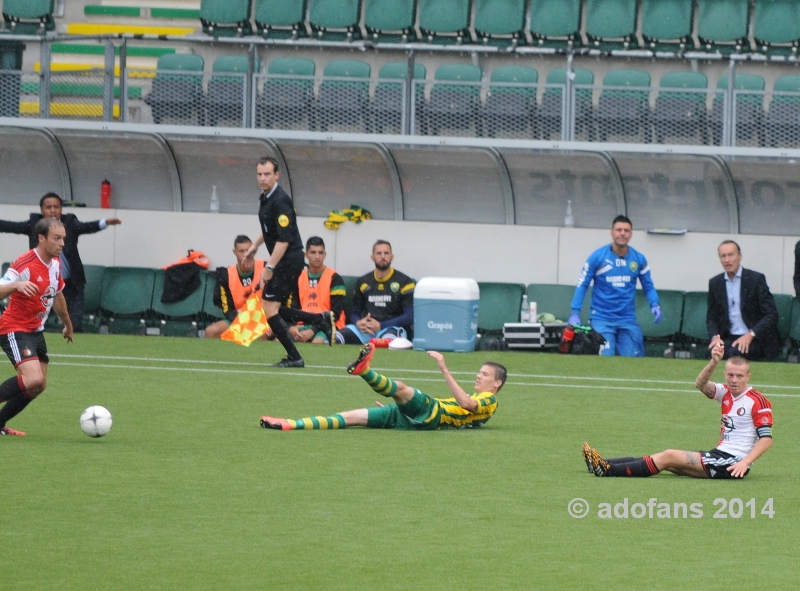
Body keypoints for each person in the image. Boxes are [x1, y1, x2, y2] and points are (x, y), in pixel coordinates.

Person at [584, 340, 773, 479]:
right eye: (730, 375)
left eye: (739, 376)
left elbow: (766, 439)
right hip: (719, 455)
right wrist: (714, 361)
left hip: (732, 462)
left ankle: (608, 470)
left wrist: (745, 462)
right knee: (667, 461)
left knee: (669, 455)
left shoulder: (757, 401)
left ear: (748, 376)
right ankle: (602, 463)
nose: (734, 380)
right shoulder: (725, 393)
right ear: (725, 374)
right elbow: (700, 384)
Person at [260, 342, 505, 431]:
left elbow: (466, 404)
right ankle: (290, 424)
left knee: (400, 387)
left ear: (497, 383)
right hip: (412, 419)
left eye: (484, 375)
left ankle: (364, 370)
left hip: (433, 413)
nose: (478, 377)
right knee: (351, 417)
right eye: (478, 373)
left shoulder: (489, 401)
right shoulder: (479, 399)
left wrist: (443, 367)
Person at [243, 157, 333, 368]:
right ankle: (319, 319)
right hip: (284, 260)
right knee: (273, 307)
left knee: (269, 308)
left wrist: (268, 268)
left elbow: (283, 240)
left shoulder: (280, 200)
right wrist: (255, 245)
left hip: (288, 259)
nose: (263, 178)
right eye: (259, 174)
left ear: (277, 175)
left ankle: (295, 357)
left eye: (267, 174)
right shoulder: (266, 198)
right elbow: (269, 229)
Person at [0, 193, 121, 332]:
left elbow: (86, 226)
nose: (53, 210)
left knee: (74, 326)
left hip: (72, 283)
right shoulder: (35, 225)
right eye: (48, 207)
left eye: (56, 207)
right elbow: (10, 226)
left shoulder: (69, 223)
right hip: (41, 284)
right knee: (36, 325)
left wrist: (105, 222)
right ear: (42, 211)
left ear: (61, 209)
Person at [0, 217, 74, 436]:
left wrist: (68, 325)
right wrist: (16, 285)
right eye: (57, 238)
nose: (62, 243)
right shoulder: (24, 263)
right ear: (42, 238)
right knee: (34, 379)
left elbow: (58, 295)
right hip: (14, 328)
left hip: (35, 331)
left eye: (63, 238)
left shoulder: (56, 263)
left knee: (39, 386)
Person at [568, 215, 661, 357]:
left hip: (627, 319)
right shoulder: (597, 257)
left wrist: (655, 304)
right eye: (619, 230)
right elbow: (582, 284)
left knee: (634, 361)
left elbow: (648, 286)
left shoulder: (639, 259)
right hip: (601, 318)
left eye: (626, 230)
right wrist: (575, 312)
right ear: (611, 232)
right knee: (604, 359)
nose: (622, 233)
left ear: (631, 234)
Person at [706, 240, 781, 361]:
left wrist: (751, 334)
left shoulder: (756, 279)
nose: (727, 260)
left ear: (740, 256)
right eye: (723, 256)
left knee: (735, 353)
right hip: (728, 336)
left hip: (755, 337)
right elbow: (712, 316)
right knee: (713, 352)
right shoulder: (715, 283)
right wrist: (715, 337)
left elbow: (771, 315)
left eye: (731, 255)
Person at [337, 240, 415, 346]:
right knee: (335, 339)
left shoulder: (405, 281)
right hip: (365, 330)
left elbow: (410, 316)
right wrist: (358, 323)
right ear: (372, 257)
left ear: (392, 256)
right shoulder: (363, 281)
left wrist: (381, 325)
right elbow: (354, 313)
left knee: (387, 344)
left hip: (391, 329)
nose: (383, 257)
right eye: (379, 253)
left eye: (386, 253)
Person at [280, 236, 346, 345]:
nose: (317, 257)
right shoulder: (298, 277)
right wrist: (291, 327)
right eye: (313, 252)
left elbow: (336, 313)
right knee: (279, 341)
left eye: (320, 253)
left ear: (325, 255)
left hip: (328, 325)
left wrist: (313, 330)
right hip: (304, 324)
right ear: (306, 255)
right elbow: (290, 308)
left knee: (317, 342)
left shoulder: (335, 278)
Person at [204, 235, 270, 340]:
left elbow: (274, 299)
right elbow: (226, 308)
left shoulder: (266, 268)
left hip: (261, 317)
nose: (245, 254)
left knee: (261, 334)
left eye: (248, 250)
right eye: (241, 251)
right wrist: (241, 321)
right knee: (210, 332)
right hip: (238, 317)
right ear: (234, 252)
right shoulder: (226, 274)